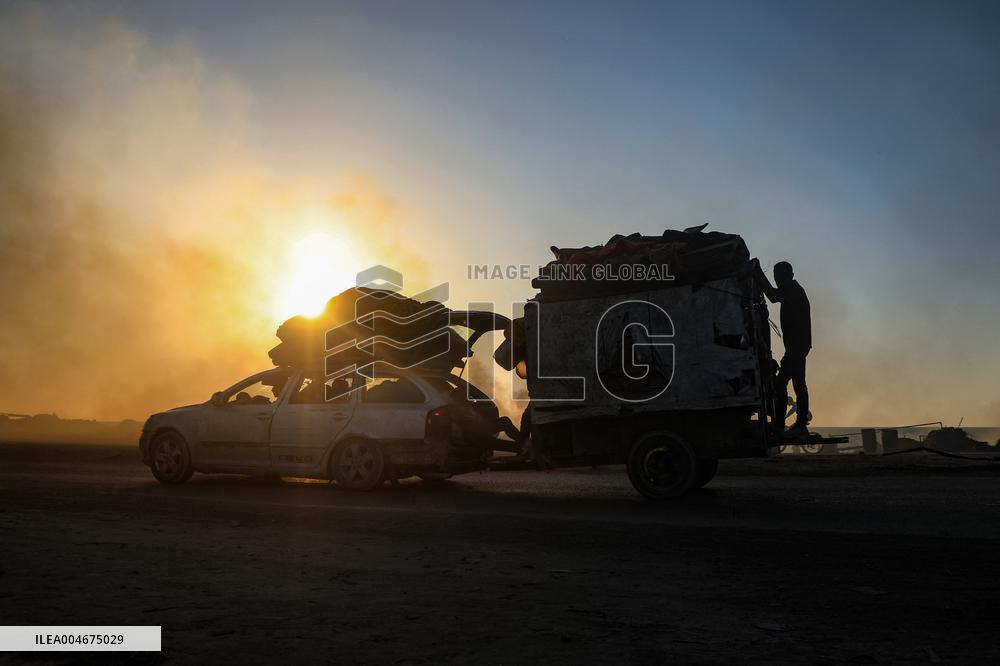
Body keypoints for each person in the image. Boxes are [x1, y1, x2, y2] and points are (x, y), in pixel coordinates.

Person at [754, 260, 811, 437]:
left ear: (789, 276)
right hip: (796, 347)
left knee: (785, 384)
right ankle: (795, 425)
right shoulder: (792, 289)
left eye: (780, 277)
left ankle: (787, 425)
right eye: (776, 278)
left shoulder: (793, 290)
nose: (778, 281)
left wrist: (756, 273)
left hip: (796, 347)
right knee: (796, 384)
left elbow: (772, 296)